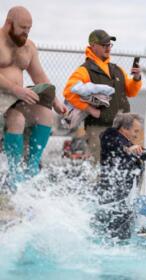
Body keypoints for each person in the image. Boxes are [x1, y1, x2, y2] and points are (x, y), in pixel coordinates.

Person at [0, 6, 67, 191]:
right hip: (3, 99)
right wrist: (15, 89)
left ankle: (31, 168)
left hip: (15, 99)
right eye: (22, 28)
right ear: (9, 23)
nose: (26, 32)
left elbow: (39, 76)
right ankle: (14, 173)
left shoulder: (28, 47)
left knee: (46, 115)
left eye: (29, 28)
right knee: (17, 119)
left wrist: (56, 102)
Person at [92, 113, 146, 241]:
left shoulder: (128, 143)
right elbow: (114, 144)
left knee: (123, 220)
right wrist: (127, 149)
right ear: (124, 128)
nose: (137, 135)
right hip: (110, 193)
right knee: (115, 223)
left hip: (121, 196)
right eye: (135, 131)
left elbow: (143, 153)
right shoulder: (110, 135)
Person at [63, 29, 142, 161]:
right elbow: (69, 91)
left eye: (109, 45)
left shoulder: (117, 69)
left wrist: (137, 78)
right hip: (98, 128)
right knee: (102, 167)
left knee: (125, 165)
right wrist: (90, 110)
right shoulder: (85, 70)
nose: (108, 48)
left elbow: (131, 92)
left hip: (122, 129)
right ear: (93, 46)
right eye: (104, 45)